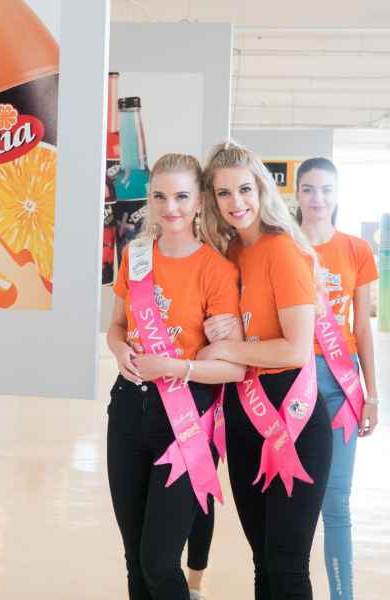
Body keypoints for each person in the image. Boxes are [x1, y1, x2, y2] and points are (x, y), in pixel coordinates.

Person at [106, 153, 244, 600]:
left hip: (185, 421)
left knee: (159, 562)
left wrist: (174, 367)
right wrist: (120, 349)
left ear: (200, 200)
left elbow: (234, 367)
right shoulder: (136, 257)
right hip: (128, 411)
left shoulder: (217, 270)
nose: (171, 208)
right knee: (134, 559)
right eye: (160, 197)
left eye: (182, 196)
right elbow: (117, 327)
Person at [199, 140, 333, 600]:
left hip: (293, 420)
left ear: (261, 189)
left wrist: (226, 348)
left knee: (287, 564)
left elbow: (295, 349)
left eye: (244, 189)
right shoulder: (232, 252)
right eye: (223, 193)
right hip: (244, 421)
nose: (236, 202)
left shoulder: (282, 251)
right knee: (262, 562)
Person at [296, 157, 379, 600]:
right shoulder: (282, 247)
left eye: (326, 189)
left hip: (341, 381)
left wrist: (372, 395)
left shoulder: (356, 250)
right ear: (296, 194)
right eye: (308, 189)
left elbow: (362, 326)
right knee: (293, 500)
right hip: (292, 377)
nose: (317, 198)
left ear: (337, 194)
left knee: (337, 501)